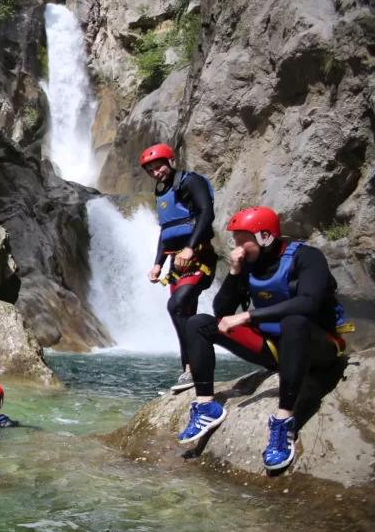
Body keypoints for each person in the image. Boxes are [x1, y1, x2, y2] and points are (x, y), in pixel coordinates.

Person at [177, 207, 349, 470]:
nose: (237, 246)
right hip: (274, 349)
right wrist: (235, 272)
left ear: (266, 236)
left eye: (242, 238)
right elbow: (222, 313)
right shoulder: (247, 265)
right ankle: (206, 406)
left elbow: (309, 303)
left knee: (294, 322)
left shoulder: (307, 257)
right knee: (198, 323)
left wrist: (248, 317)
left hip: (318, 347)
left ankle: (284, 420)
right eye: (234, 239)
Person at [141, 144, 217, 393]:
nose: (156, 173)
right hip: (177, 263)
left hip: (199, 257)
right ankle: (188, 370)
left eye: (159, 167)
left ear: (171, 162)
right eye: (150, 170)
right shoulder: (162, 194)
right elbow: (166, 232)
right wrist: (157, 264)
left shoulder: (190, 181)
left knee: (176, 306)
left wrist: (191, 248)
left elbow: (206, 213)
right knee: (182, 311)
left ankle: (196, 367)